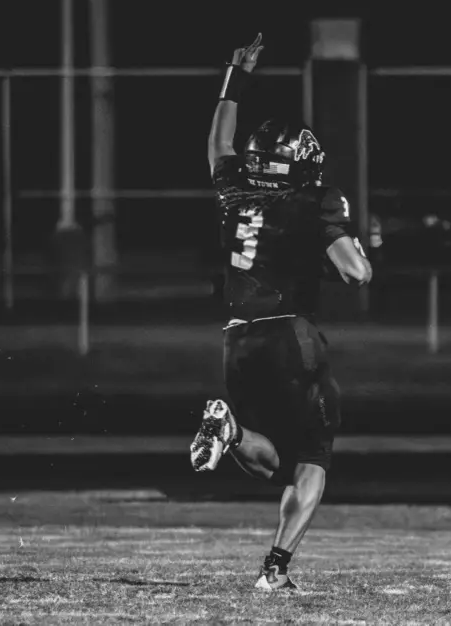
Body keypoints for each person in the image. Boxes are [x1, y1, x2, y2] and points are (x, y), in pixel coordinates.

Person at [189, 33, 372, 591]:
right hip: (292, 335)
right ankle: (276, 568)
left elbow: (218, 144)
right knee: (314, 455)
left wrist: (234, 79)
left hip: (237, 340)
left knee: (269, 457)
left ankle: (229, 430)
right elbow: (354, 273)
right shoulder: (316, 200)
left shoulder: (235, 190)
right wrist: (356, 253)